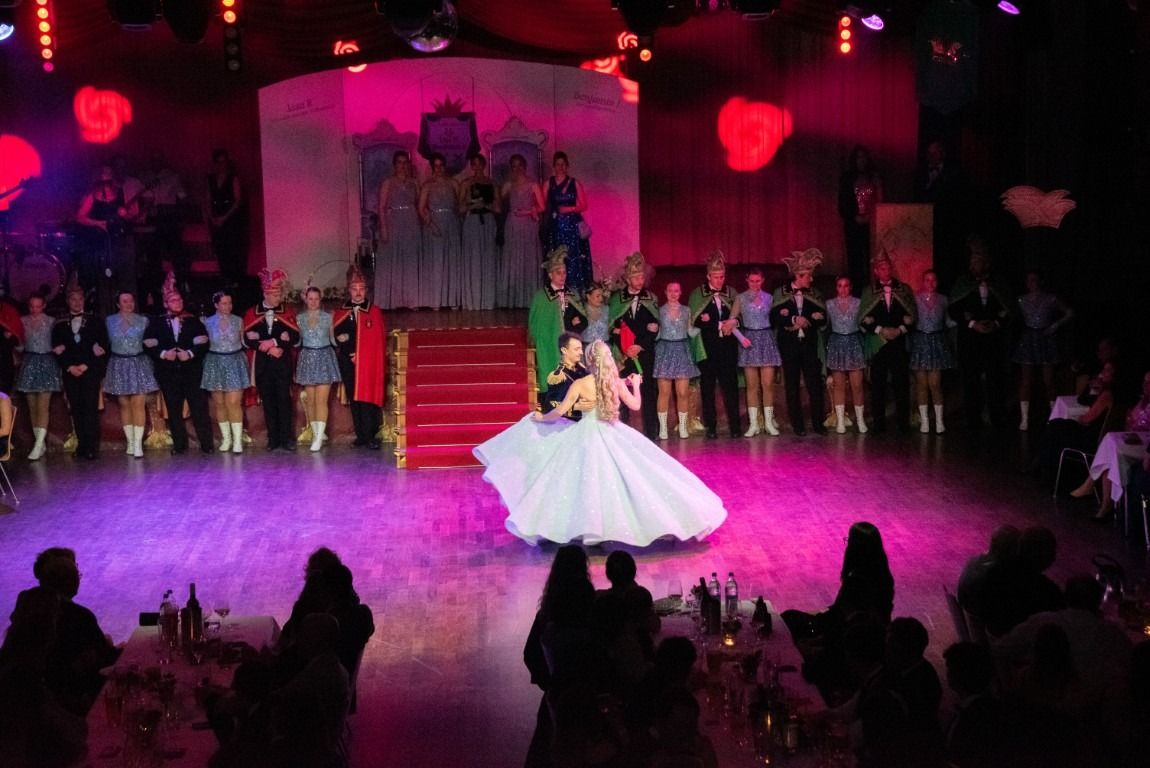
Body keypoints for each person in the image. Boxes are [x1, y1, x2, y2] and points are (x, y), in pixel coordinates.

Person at [474, 339, 727, 546]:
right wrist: (636, 385)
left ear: (587, 361)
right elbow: (635, 405)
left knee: (577, 483)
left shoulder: (581, 384)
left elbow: (559, 412)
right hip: (612, 432)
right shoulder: (614, 382)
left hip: (584, 436)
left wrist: (540, 417)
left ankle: (581, 528)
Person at [782, 522, 895, 705]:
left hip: (847, 638)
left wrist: (817, 641)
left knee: (789, 621)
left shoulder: (857, 581)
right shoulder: (882, 576)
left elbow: (841, 622)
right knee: (791, 619)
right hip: (850, 632)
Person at [522, 545, 595, 768]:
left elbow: (530, 654)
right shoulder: (589, 614)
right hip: (585, 694)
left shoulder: (547, 615)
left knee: (549, 751)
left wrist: (549, 683)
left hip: (558, 693)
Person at [144, 275, 213, 454]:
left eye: (180, 300)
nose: (178, 303)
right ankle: (180, 445)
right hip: (168, 373)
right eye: (174, 300)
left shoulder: (193, 321)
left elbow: (204, 343)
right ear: (166, 303)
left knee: (199, 408)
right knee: (174, 410)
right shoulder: (157, 322)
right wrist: (163, 354)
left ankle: (206, 444)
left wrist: (189, 353)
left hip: (191, 371)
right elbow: (147, 343)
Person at [949, 238, 1013, 429]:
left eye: (978, 261)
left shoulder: (998, 283)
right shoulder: (963, 283)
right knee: (971, 380)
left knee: (995, 379)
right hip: (971, 340)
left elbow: (1008, 308)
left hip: (993, 339)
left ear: (986, 263)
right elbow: (954, 309)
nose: (974, 265)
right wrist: (972, 324)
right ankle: (973, 418)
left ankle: (996, 416)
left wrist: (996, 323)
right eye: (972, 261)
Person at [771, 248, 828, 435]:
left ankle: (818, 424)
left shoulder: (815, 293)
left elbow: (823, 318)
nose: (811, 279)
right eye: (808, 276)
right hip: (789, 346)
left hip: (810, 345)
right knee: (792, 385)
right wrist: (793, 319)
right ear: (798, 275)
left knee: (815, 385)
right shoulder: (780, 292)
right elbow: (773, 318)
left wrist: (808, 319)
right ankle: (798, 425)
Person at [858, 252, 917, 434]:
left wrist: (900, 330)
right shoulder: (869, 291)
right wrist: (880, 330)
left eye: (888, 267)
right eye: (882, 268)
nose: (887, 271)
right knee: (878, 385)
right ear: (876, 271)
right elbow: (863, 318)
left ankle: (903, 425)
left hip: (898, 342)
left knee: (901, 384)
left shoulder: (904, 289)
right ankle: (879, 424)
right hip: (879, 343)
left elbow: (913, 316)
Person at [243, 267, 300, 451]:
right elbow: (247, 338)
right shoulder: (252, 312)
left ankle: (286, 439)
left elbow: (294, 336)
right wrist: (268, 346)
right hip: (263, 366)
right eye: (275, 295)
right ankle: (273, 439)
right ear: (265, 294)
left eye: (279, 294)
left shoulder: (287, 312)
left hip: (282, 365)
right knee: (268, 403)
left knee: (284, 401)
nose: (278, 298)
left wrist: (275, 343)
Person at [1030, 360, 1115, 482]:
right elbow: (1083, 400)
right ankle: (1044, 467)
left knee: (1055, 428)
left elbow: (1086, 418)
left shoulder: (1107, 395)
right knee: (1055, 425)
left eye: (1107, 371)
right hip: (1092, 434)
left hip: (1091, 438)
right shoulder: (1107, 393)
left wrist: (1079, 418)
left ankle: (1045, 469)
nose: (1102, 373)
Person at [51, 281, 107, 460]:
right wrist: (69, 366)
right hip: (70, 372)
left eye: (80, 299)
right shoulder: (60, 324)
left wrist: (87, 365)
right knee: (76, 409)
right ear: (68, 301)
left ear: (84, 300)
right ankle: (82, 445)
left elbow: (103, 347)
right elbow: (57, 349)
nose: (77, 302)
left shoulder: (95, 321)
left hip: (89, 371)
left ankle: (91, 447)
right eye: (73, 299)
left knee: (90, 408)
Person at [333, 265, 387, 449]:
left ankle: (371, 435)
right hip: (348, 362)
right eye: (354, 289)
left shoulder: (374, 311)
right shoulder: (342, 311)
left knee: (367, 397)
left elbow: (377, 340)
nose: (357, 293)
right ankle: (361, 435)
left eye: (361, 289)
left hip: (368, 362)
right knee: (354, 398)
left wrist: (362, 355)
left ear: (366, 290)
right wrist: (350, 351)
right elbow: (339, 336)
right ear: (349, 290)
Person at [689, 250, 741, 438]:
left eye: (722, 277)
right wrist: (717, 324)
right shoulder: (698, 294)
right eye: (716, 277)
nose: (720, 280)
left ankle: (735, 427)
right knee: (708, 388)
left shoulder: (732, 293)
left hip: (728, 347)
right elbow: (694, 321)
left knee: (731, 387)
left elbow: (741, 318)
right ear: (708, 276)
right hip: (707, 348)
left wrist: (734, 322)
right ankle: (711, 427)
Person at [1013, 270, 1073, 431]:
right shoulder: (1021, 299)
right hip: (1029, 338)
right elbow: (1011, 315)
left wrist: (1055, 325)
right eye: (1029, 280)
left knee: (1049, 381)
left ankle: (1053, 416)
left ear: (1040, 281)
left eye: (1034, 280)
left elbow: (1069, 312)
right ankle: (1024, 419)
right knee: (1026, 381)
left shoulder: (1050, 298)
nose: (1032, 283)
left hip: (1045, 338)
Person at [609, 252, 660, 440]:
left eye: (642, 277)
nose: (640, 281)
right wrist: (626, 347)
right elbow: (612, 327)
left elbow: (654, 327)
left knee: (648, 391)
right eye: (636, 277)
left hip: (644, 353)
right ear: (628, 279)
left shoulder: (651, 298)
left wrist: (639, 345)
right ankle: (622, 433)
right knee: (622, 392)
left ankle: (651, 433)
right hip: (623, 354)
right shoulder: (617, 299)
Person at [104, 290, 159, 458]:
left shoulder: (143, 320)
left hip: (138, 363)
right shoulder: (109, 321)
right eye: (125, 301)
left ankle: (138, 444)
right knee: (124, 403)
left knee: (138, 402)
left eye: (131, 301)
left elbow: (152, 338)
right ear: (118, 304)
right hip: (119, 363)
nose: (129, 304)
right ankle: (130, 441)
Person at [76, 164, 141, 304]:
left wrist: (126, 214)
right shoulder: (92, 195)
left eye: (108, 172)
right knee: (104, 276)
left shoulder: (120, 192)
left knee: (124, 275)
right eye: (103, 172)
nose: (106, 175)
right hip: (102, 241)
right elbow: (80, 217)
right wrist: (98, 223)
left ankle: (126, 306)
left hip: (120, 240)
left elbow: (133, 215)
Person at [528, 248, 585, 404]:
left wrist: (573, 328)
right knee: (552, 377)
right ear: (550, 275)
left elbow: (582, 319)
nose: (562, 276)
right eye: (558, 273)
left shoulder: (572, 294)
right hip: (549, 345)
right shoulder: (541, 297)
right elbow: (535, 324)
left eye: (564, 272)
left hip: (569, 346)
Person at [295, 286, 341, 452]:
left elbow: (334, 340)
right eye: (310, 299)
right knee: (312, 400)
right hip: (307, 358)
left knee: (321, 400)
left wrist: (343, 337)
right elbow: (297, 341)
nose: (313, 302)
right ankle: (317, 434)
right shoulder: (299, 318)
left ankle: (318, 438)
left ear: (320, 300)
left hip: (324, 358)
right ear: (305, 299)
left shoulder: (328, 317)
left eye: (316, 299)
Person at [202, 289, 248, 454]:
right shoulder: (207, 322)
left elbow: (245, 342)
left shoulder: (238, 320)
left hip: (234, 361)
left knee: (234, 402)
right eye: (224, 303)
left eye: (230, 303)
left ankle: (237, 440)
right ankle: (226, 438)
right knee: (220, 403)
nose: (228, 306)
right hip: (215, 362)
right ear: (216, 305)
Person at [16, 293, 62, 460]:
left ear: (44, 306)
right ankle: (40, 444)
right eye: (32, 306)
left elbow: (58, 340)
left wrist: (60, 347)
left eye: (38, 306)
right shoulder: (23, 321)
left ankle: (38, 444)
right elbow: (21, 346)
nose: (34, 309)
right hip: (29, 361)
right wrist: (14, 342)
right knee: (32, 406)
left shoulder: (51, 321)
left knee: (43, 405)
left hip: (47, 361)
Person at [737, 268, 782, 437]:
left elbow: (776, 320)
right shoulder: (741, 298)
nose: (755, 284)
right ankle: (754, 424)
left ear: (762, 281)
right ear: (747, 281)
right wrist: (741, 338)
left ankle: (769, 423)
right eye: (752, 281)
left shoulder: (770, 298)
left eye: (758, 281)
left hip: (766, 340)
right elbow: (731, 321)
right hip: (749, 341)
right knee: (752, 386)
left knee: (768, 384)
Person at [910, 269, 954, 434]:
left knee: (935, 384)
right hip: (920, 341)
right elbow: (911, 318)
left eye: (933, 280)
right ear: (923, 282)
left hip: (936, 342)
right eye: (927, 280)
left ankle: (939, 421)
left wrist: (963, 321)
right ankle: (925, 421)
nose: (930, 283)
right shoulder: (915, 298)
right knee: (921, 384)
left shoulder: (943, 299)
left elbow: (948, 321)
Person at [376, 150, 421, 310]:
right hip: (394, 221)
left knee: (409, 260)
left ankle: (411, 300)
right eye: (399, 162)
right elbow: (381, 207)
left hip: (411, 221)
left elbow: (419, 204)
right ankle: (393, 300)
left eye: (405, 162)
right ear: (394, 165)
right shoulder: (388, 182)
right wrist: (383, 227)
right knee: (393, 259)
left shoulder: (414, 183)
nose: (402, 166)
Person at [498, 152, 544, 309]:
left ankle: (528, 298)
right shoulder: (509, 184)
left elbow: (542, 206)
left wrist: (527, 211)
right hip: (512, 224)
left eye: (519, 165)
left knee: (527, 258)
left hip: (528, 224)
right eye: (514, 166)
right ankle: (512, 298)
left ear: (525, 166)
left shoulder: (533, 184)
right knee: (513, 258)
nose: (517, 169)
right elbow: (498, 200)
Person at [654, 281, 698, 440]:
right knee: (664, 393)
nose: (673, 294)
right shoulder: (659, 311)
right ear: (665, 292)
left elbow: (690, 331)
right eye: (670, 291)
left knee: (683, 393)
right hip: (665, 351)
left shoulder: (686, 310)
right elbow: (657, 333)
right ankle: (663, 429)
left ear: (680, 293)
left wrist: (707, 327)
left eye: (676, 291)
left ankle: (683, 427)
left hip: (682, 350)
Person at [543, 151, 592, 294]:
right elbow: (542, 204)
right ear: (554, 166)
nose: (561, 167)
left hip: (572, 225)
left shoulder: (574, 183)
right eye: (558, 164)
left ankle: (575, 291)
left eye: (563, 164)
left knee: (573, 257)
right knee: (557, 256)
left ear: (567, 165)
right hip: (556, 226)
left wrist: (569, 209)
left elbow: (584, 205)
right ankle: (557, 289)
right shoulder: (548, 183)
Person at [417, 152, 460, 309]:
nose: (439, 169)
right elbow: (421, 208)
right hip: (434, 224)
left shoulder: (453, 183)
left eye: (441, 165)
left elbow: (459, 205)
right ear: (432, 167)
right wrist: (431, 224)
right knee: (436, 261)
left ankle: (452, 300)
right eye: (436, 166)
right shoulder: (427, 185)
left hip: (451, 223)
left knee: (451, 261)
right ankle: (435, 300)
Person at [459, 153, 501, 311]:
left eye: (479, 163)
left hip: (488, 221)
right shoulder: (466, 183)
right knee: (474, 258)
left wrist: (486, 205)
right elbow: (460, 208)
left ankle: (488, 300)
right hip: (472, 221)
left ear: (484, 165)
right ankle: (473, 299)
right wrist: (472, 204)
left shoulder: (492, 183)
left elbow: (498, 208)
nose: (477, 167)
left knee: (488, 258)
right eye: (474, 164)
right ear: (471, 166)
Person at [825, 276, 867, 434]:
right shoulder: (829, 304)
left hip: (854, 342)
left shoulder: (858, 303)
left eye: (846, 285)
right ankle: (841, 421)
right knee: (839, 386)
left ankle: (860, 420)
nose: (843, 289)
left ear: (851, 287)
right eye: (839, 286)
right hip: (837, 343)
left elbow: (863, 324)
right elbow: (824, 325)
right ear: (836, 287)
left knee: (857, 385)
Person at [838, 145, 883, 288]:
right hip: (853, 223)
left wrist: (871, 216)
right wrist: (854, 216)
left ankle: (873, 287)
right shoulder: (847, 178)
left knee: (872, 257)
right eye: (858, 157)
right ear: (854, 160)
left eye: (864, 157)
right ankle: (856, 288)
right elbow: (842, 203)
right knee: (855, 257)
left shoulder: (873, 176)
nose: (861, 160)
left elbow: (880, 201)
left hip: (872, 223)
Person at [207, 149, 246, 284]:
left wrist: (224, 217)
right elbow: (208, 199)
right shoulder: (211, 179)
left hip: (230, 217)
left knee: (232, 249)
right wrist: (212, 217)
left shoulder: (233, 178)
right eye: (219, 162)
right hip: (216, 216)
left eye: (224, 162)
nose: (221, 165)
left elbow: (237, 200)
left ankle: (234, 279)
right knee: (220, 249)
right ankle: (224, 278)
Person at [543, 332, 589, 421]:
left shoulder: (583, 370)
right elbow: (550, 406)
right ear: (564, 350)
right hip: (569, 423)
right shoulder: (559, 376)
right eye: (577, 349)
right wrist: (575, 407)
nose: (581, 353)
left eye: (581, 349)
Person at [580, 281, 610, 347]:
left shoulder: (606, 309)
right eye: (597, 296)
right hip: (587, 347)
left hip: (605, 347)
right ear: (588, 296)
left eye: (602, 296)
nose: (601, 298)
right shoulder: (581, 310)